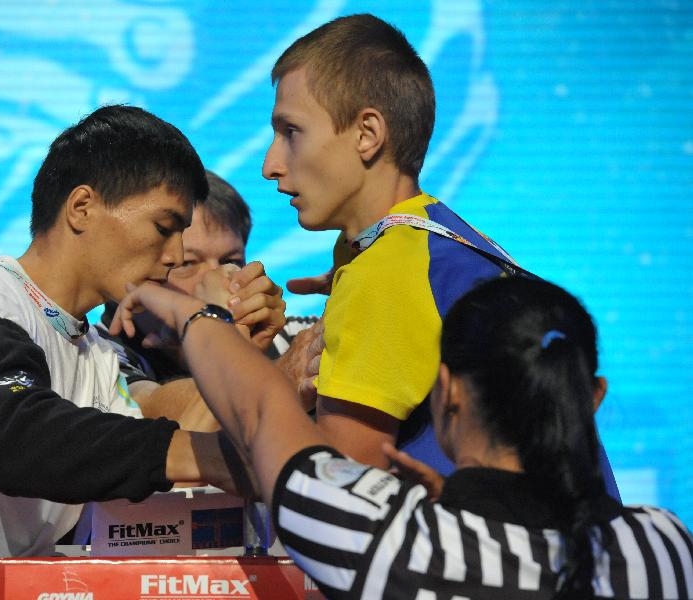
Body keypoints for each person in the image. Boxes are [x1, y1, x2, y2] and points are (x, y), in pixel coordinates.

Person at [0, 105, 243, 600]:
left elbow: (141, 461)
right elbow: (18, 438)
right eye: (165, 227)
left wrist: (236, 344)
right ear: (81, 207)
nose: (176, 254)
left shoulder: (94, 352)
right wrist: (212, 456)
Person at [111, 274, 693, 599]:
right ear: (592, 397)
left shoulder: (386, 539)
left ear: (449, 392)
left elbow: (261, 411)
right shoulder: (666, 545)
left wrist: (187, 311)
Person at [260, 13, 620, 500]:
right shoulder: (434, 242)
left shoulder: (386, 272)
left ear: (368, 134)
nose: (270, 164)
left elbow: (333, 492)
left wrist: (229, 357)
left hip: (490, 569)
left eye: (291, 131)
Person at [95, 170, 320, 430]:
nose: (218, 278)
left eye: (231, 261)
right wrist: (283, 375)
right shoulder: (95, 353)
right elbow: (155, 414)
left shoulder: (295, 334)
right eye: (187, 263)